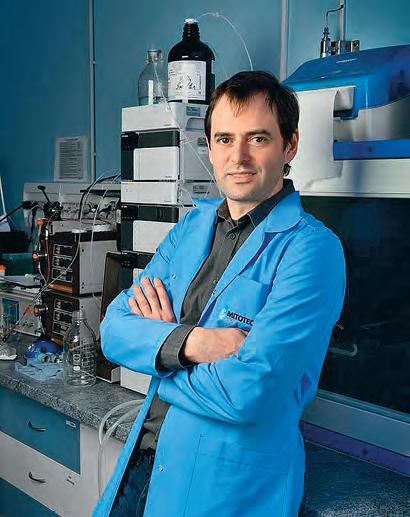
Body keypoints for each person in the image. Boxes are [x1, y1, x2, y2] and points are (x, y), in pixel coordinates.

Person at [94, 71, 346, 517]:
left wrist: (160, 353)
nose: (239, 156)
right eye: (225, 139)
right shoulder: (192, 226)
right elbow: (113, 330)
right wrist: (196, 343)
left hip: (226, 487)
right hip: (144, 463)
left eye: (258, 139)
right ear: (209, 147)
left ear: (290, 145)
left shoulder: (311, 250)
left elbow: (249, 392)